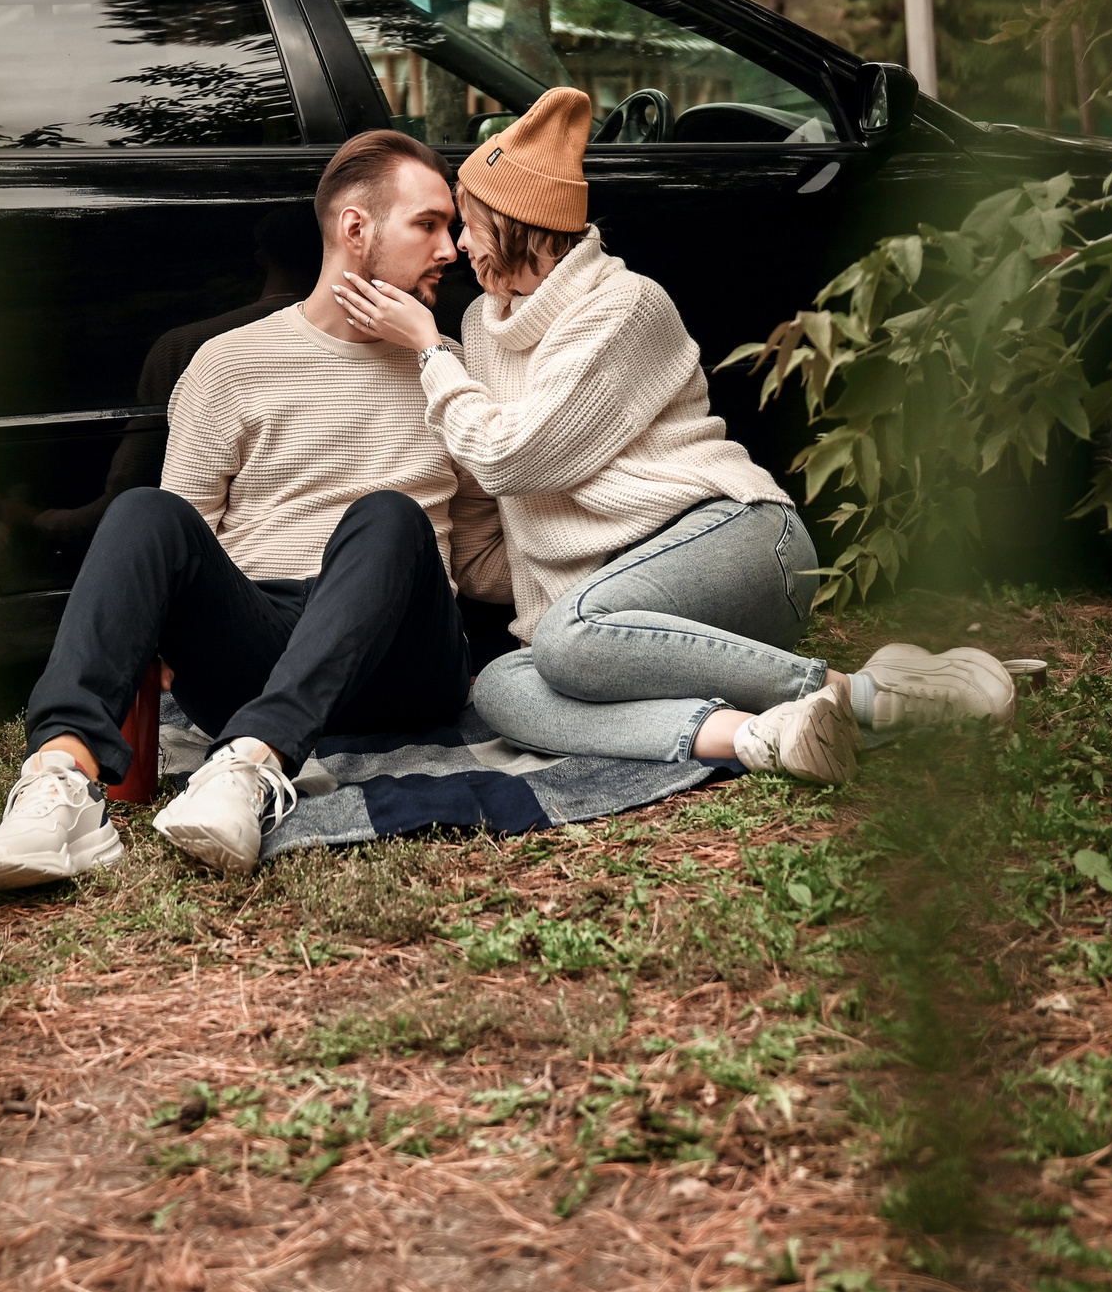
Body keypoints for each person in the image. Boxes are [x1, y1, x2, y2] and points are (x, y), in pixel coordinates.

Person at [333, 87, 1021, 781]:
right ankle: (765, 735)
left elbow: (511, 460)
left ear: (521, 226)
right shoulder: (484, 326)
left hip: (739, 544)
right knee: (508, 684)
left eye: (471, 223)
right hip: (621, 615)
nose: (457, 246)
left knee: (566, 640)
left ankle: (865, 693)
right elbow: (509, 520)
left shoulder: (624, 307)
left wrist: (429, 352)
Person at [0, 131, 506, 891]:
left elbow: (483, 554)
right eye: (428, 224)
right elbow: (173, 553)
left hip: (402, 656)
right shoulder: (228, 364)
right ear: (356, 229)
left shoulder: (448, 368)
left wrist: (589, 583)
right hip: (259, 647)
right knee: (147, 511)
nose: (451, 248)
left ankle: (253, 766)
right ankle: (59, 782)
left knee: (387, 514)